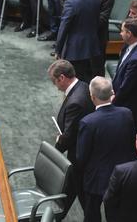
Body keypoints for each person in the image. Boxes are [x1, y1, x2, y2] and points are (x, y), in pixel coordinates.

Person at [77, 76, 134, 222]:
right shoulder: (127, 113)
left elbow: (81, 156)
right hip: (122, 175)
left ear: (92, 97)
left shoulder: (88, 122)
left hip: (95, 178)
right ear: (112, 93)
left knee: (92, 215)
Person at [48, 60, 94, 215]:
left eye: (54, 81)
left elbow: (70, 135)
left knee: (83, 197)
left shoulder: (75, 102)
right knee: (71, 191)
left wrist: (58, 145)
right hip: (83, 154)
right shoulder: (83, 86)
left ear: (61, 78)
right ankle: (57, 216)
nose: (55, 86)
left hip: (80, 156)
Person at [55, 0, 100, 84]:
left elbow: (63, 28)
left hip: (75, 51)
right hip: (92, 48)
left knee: (74, 82)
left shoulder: (70, 3)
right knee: (87, 80)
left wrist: (58, 50)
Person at [112, 18, 137, 128]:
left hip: (128, 106)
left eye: (122, 31)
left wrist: (112, 103)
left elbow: (126, 87)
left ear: (129, 34)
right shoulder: (130, 45)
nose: (120, 33)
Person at [83, 0, 115, 77]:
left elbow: (103, 17)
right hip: (84, 35)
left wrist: (84, 24)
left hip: (97, 36)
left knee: (96, 68)